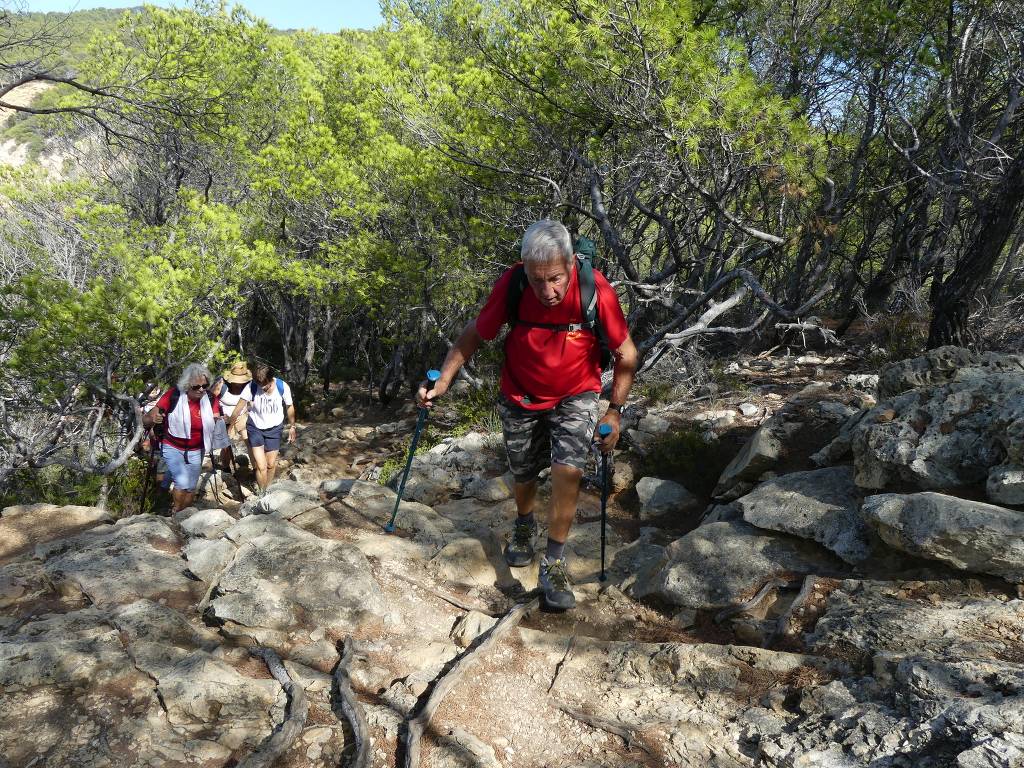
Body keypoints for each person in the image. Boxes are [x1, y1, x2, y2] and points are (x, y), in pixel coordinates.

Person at [417, 220, 637, 610]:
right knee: (523, 472)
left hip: (577, 393)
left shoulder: (596, 289)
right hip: (520, 392)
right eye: (537, 281)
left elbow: (627, 354)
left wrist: (615, 412)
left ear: (571, 264)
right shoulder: (513, 284)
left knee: (567, 469)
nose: (547, 291)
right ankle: (523, 523)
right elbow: (475, 332)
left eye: (555, 279)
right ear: (525, 271)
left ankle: (553, 561)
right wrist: (444, 380)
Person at [142, 364, 223, 514]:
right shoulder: (174, 395)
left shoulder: (210, 398)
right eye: (196, 387)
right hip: (173, 446)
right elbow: (148, 419)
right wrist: (153, 418)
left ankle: (183, 516)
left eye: (205, 386)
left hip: (197, 448)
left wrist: (222, 421)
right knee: (182, 481)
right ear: (186, 385)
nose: (201, 390)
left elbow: (216, 418)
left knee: (191, 485)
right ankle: (177, 512)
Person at [229, 363, 296, 494]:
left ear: (272, 379)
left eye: (265, 384)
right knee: (261, 466)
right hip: (255, 427)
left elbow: (290, 406)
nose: (263, 387)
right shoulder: (251, 387)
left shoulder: (282, 387)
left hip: (275, 428)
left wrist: (292, 426)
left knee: (271, 464)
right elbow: (238, 408)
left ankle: (267, 489)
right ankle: (262, 493)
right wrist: (231, 426)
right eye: (259, 384)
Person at [212, 362, 252, 474]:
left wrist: (249, 409)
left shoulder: (249, 384)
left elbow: (251, 401)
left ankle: (255, 467)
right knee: (226, 446)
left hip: (242, 416)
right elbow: (210, 399)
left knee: (249, 440)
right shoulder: (221, 384)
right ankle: (226, 468)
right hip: (224, 419)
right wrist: (216, 415)